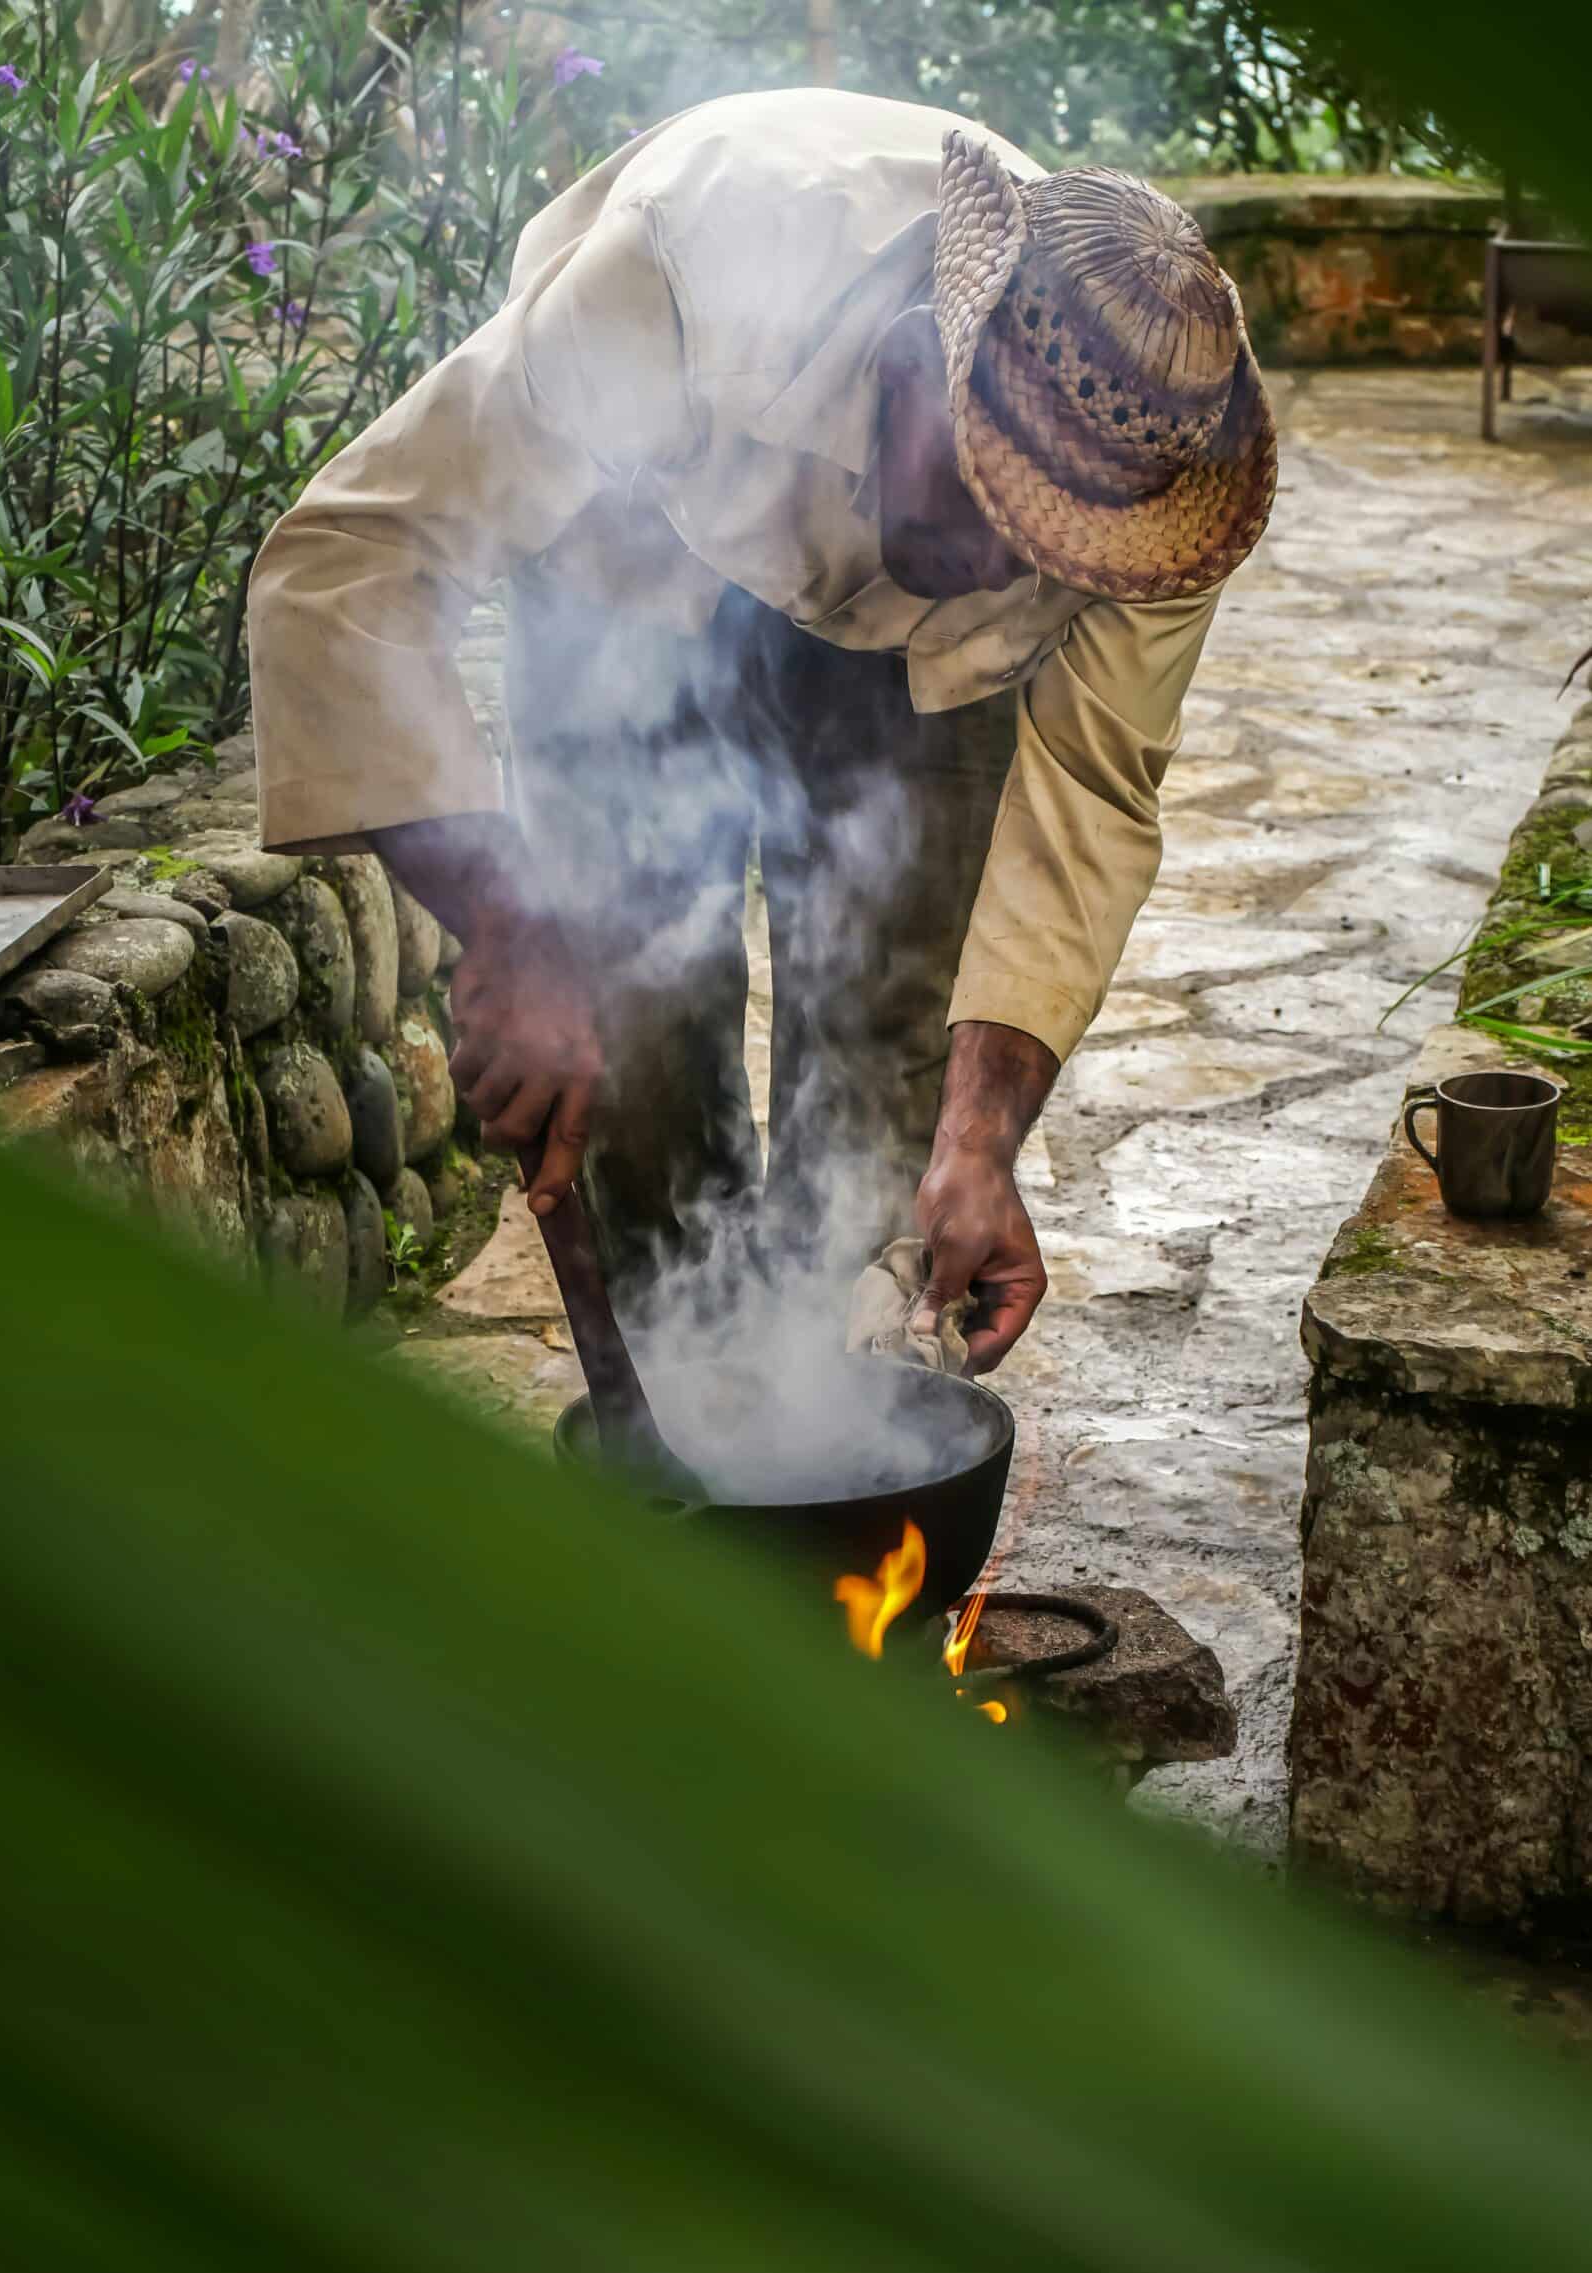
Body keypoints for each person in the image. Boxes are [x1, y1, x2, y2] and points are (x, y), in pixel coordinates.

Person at [248, 89, 1274, 1371]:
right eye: (982, 500)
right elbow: (344, 567)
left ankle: (840, 1417)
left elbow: (1089, 801)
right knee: (632, 1039)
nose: (1004, 567)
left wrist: (982, 1143)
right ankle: (680, 1402)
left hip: (922, 676)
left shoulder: (1167, 480)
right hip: (631, 559)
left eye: (1052, 553)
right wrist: (511, 928)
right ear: (910, 365)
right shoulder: (685, 274)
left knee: (893, 1084)